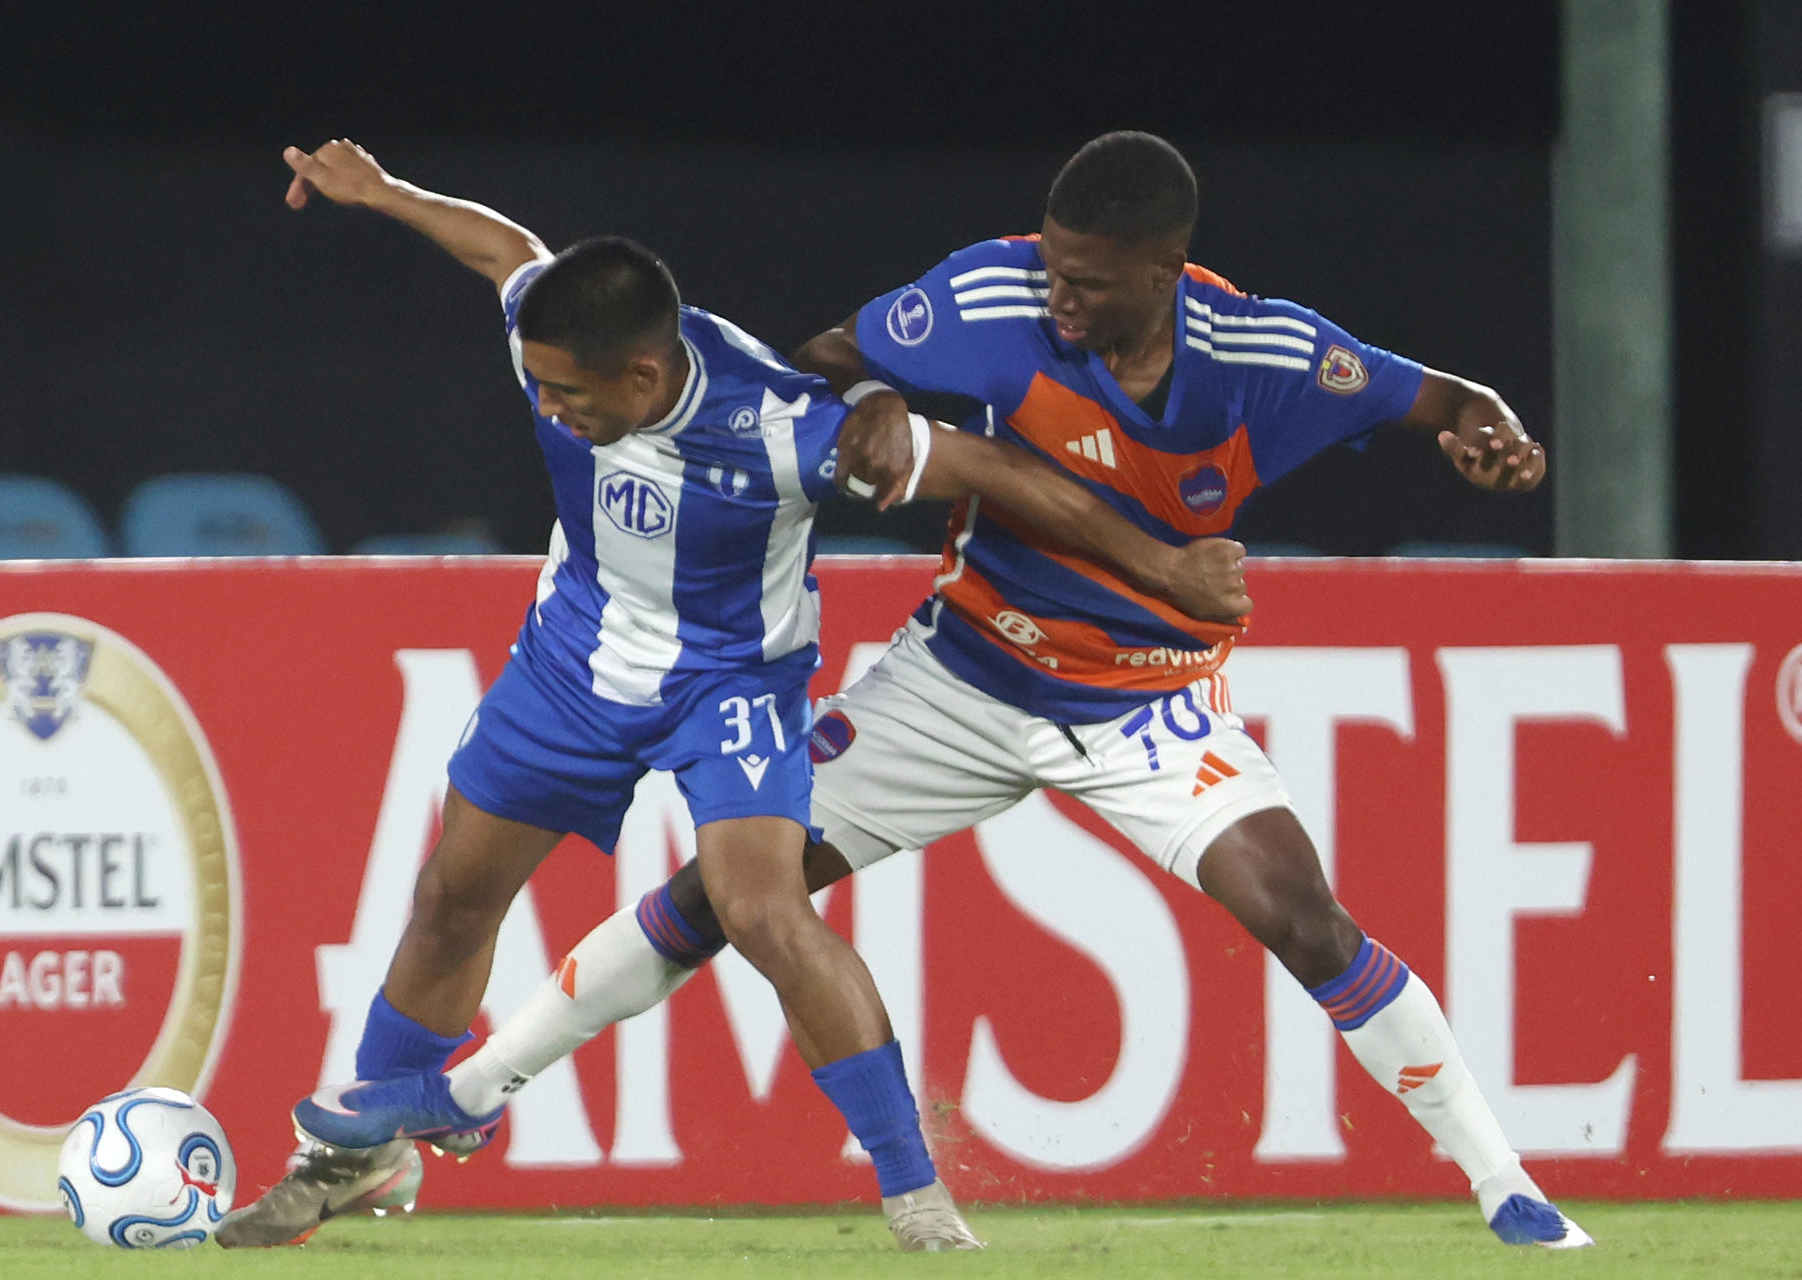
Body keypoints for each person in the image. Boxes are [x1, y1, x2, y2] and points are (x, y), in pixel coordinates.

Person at [282, 130, 1590, 1251]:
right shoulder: (989, 292)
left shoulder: (1267, 352)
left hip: (1143, 703)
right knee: (736, 895)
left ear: (1165, 272)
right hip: (960, 680)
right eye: (1051, 264)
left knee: (1303, 916)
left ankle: (1508, 1186)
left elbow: (1442, 397)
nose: (1056, 294)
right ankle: (470, 1092)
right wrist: (869, 401)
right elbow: (835, 355)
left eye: (1086, 280)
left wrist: (1487, 429)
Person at [217, 138, 1248, 1252]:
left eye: (570, 395)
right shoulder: (553, 336)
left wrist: (1163, 564)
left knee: (762, 910)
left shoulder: (786, 428)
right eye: (542, 384)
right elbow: (507, 251)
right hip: (572, 664)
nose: (548, 408)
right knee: (451, 898)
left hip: (730, 685)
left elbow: (996, 469)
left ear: (642, 378)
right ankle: (355, 1159)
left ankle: (916, 1197)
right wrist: (384, 194)